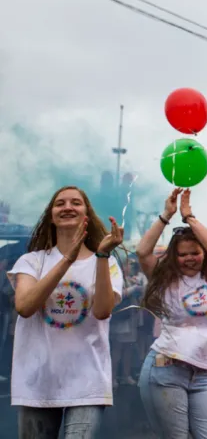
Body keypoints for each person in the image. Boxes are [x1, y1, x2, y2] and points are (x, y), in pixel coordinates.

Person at [6, 186, 124, 439]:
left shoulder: (108, 263)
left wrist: (102, 255)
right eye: (60, 204)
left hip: (87, 381)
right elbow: (25, 307)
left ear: (86, 215)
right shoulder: (31, 262)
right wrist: (67, 260)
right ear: (51, 216)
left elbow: (103, 311)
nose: (68, 207)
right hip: (37, 382)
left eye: (76, 203)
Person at [135, 188, 207, 439]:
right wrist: (166, 215)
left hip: (205, 375)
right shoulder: (166, 280)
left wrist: (188, 217)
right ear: (174, 256)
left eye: (195, 252)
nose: (189, 258)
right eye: (182, 254)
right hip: (165, 370)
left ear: (203, 253)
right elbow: (142, 252)